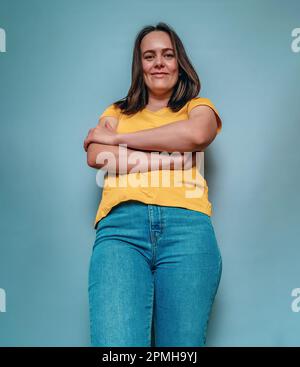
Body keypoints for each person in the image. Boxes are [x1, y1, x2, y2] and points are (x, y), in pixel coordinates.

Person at [83, 22, 223, 347]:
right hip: (121, 232)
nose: (159, 62)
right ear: (140, 66)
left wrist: (119, 139)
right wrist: (169, 159)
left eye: (167, 54)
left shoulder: (197, 107)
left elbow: (196, 135)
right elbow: (97, 156)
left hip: (187, 232)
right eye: (149, 56)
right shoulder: (116, 111)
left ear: (179, 62)